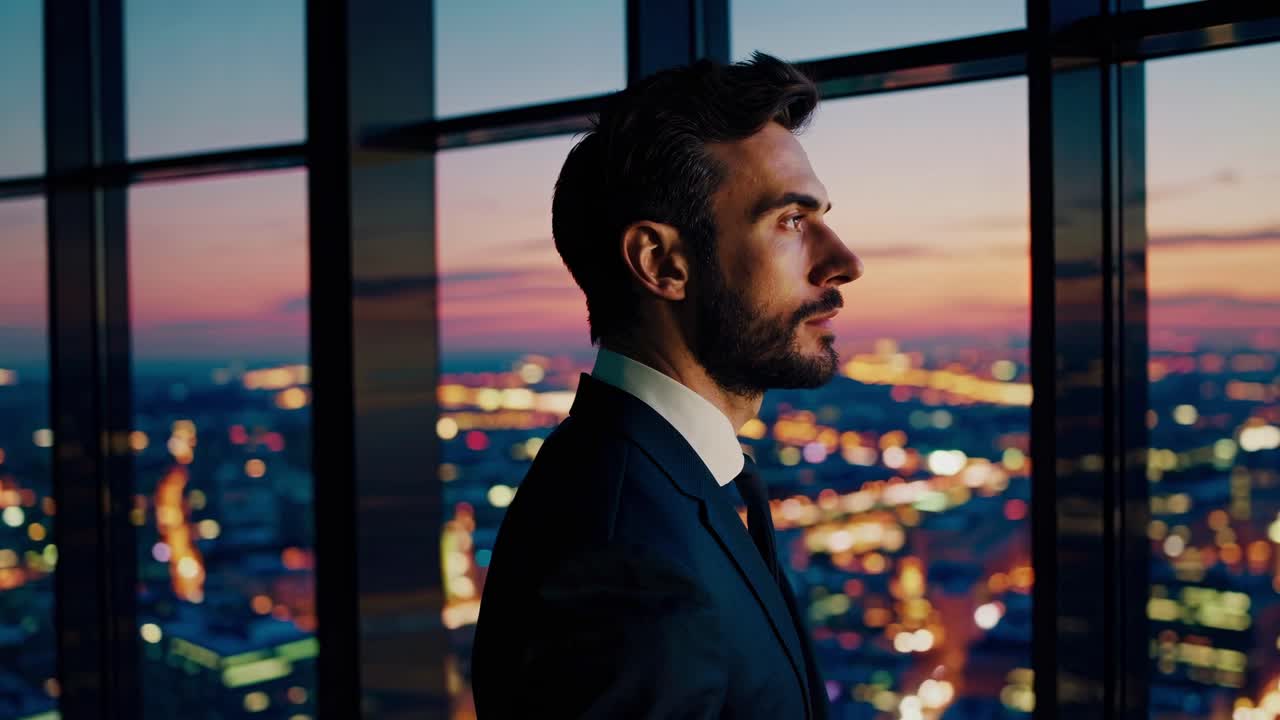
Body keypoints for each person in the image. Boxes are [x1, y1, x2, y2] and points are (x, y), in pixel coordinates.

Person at [470, 52, 863, 719]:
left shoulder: (661, 482)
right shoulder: (622, 556)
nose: (844, 261)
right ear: (662, 263)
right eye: (791, 221)